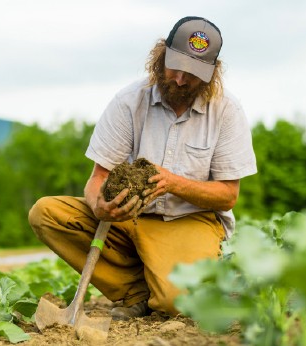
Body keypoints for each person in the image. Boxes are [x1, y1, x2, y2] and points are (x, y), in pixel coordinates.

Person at [28, 16, 256, 319]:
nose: (180, 79)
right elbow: (98, 178)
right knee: (46, 214)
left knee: (178, 304)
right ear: (160, 54)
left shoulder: (227, 110)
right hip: (128, 218)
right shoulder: (128, 102)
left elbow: (228, 195)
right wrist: (100, 207)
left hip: (189, 220)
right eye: (175, 66)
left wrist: (174, 183)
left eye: (193, 73)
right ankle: (136, 291)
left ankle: (185, 282)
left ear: (212, 73)